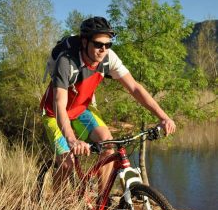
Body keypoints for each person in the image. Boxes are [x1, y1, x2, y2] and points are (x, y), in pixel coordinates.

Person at [40, 16, 176, 195]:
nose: (103, 49)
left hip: (82, 109)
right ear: (84, 42)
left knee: (108, 143)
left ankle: (102, 202)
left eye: (108, 44)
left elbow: (135, 88)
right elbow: (59, 103)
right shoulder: (66, 62)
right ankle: (55, 204)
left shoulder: (108, 58)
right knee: (67, 163)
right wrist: (72, 139)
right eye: (98, 44)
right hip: (54, 114)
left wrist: (163, 116)